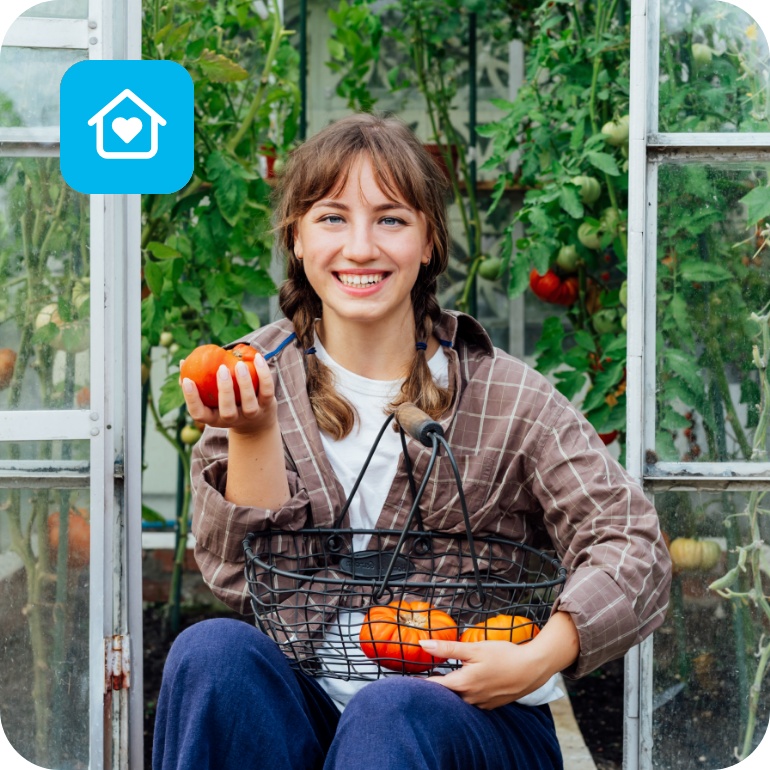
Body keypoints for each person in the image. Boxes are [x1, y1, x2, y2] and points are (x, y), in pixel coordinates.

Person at [152, 113, 671, 770]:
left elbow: (632, 544)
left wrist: (540, 656)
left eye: (391, 219)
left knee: (389, 710)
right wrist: (253, 432)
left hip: (473, 720)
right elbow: (243, 582)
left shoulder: (509, 397)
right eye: (333, 218)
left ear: (428, 242)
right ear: (297, 239)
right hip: (308, 708)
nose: (360, 247)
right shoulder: (250, 377)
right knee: (211, 654)